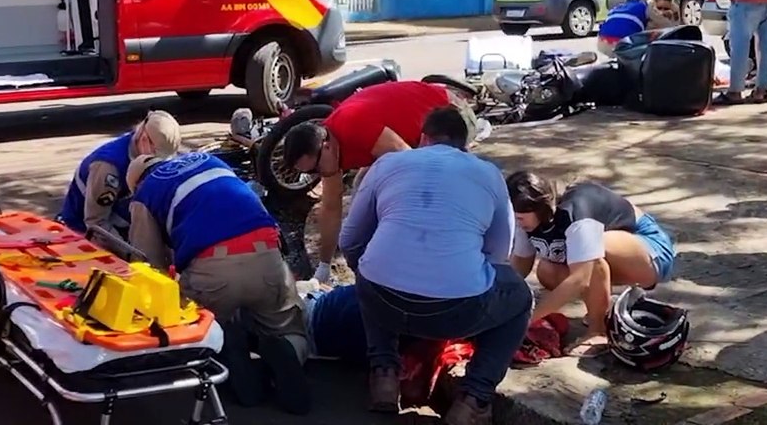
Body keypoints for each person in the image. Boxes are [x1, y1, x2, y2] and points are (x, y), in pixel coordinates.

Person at [339, 106, 530, 424]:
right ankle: (473, 399)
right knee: (520, 298)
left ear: (423, 138)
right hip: (458, 310)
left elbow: (350, 242)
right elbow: (499, 256)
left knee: (370, 268)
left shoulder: (387, 164)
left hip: (382, 301)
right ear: (465, 144)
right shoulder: (488, 174)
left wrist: (376, 276)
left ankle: (384, 375)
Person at [126, 151, 312, 415]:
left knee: (200, 325)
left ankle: (223, 349)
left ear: (136, 184)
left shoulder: (145, 194)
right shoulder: (210, 161)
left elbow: (148, 266)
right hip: (269, 260)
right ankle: (289, 350)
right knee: (288, 325)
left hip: (213, 273)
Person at [281, 80, 480, 284]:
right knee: (363, 188)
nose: (318, 175)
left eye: (316, 168)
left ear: (326, 146)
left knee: (419, 193)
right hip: (412, 137)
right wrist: (323, 268)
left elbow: (414, 164)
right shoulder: (329, 150)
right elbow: (331, 208)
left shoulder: (353, 125)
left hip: (452, 116)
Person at [505, 172, 677, 356]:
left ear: (540, 209)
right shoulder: (526, 217)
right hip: (614, 252)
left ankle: (599, 331)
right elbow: (521, 263)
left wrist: (526, 320)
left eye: (521, 218)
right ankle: (601, 306)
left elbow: (580, 278)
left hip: (650, 252)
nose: (517, 222)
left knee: (590, 254)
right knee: (548, 270)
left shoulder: (577, 212)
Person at [56, 111, 180, 237]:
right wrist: (129, 253)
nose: (161, 165)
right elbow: (96, 224)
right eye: (158, 157)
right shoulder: (108, 167)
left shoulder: (143, 148)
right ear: (143, 140)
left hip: (124, 222)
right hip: (82, 232)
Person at [594, 0, 680, 57]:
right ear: (653, 2)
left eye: (665, 9)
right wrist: (673, 13)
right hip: (623, 42)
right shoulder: (647, 7)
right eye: (659, 8)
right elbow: (669, 29)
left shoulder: (620, 7)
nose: (662, 11)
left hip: (602, 41)